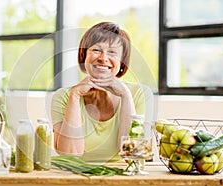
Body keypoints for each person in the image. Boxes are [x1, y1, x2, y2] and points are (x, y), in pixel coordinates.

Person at [51, 22, 153, 162]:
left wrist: (125, 95)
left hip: (122, 178)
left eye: (112, 52)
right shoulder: (62, 96)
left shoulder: (140, 94)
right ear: (84, 55)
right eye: (96, 50)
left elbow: (132, 155)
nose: (103, 58)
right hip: (76, 176)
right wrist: (74, 96)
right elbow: (69, 154)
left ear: (122, 61)